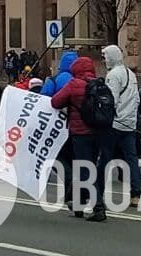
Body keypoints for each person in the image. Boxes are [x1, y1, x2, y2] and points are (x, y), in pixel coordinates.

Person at [51, 57, 105, 221]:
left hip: (80, 133)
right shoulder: (100, 84)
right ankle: (78, 204)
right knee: (87, 168)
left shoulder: (75, 84)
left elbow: (56, 102)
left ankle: (98, 207)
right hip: (98, 132)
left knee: (85, 170)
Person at [99, 44, 141, 207]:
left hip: (115, 124)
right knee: (132, 159)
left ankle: (98, 193)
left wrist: (106, 117)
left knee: (104, 159)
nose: (104, 61)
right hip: (130, 124)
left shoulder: (112, 76)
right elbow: (137, 99)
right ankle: (136, 193)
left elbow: (111, 100)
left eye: (105, 57)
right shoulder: (130, 74)